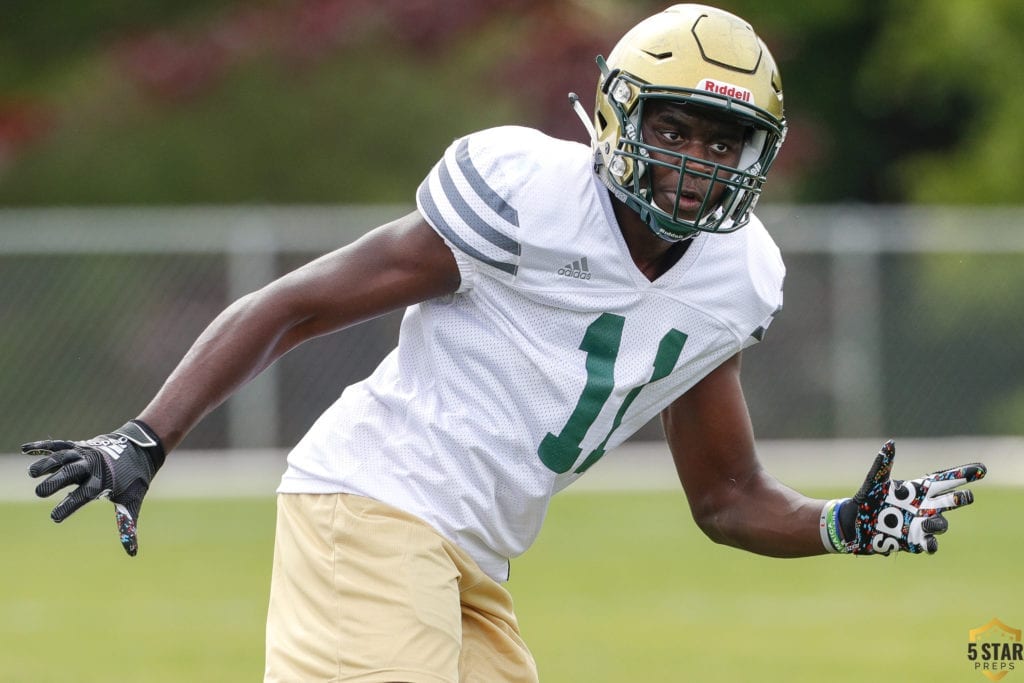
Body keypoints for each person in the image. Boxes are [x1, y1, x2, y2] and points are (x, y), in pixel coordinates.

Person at [22, 4, 987, 681]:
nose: (697, 160)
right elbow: (295, 304)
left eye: (723, 139)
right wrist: (147, 436)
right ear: (615, 114)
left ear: (758, 155)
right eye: (676, 127)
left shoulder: (737, 279)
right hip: (372, 501)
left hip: (477, 555)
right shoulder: (526, 195)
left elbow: (728, 497)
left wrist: (837, 524)